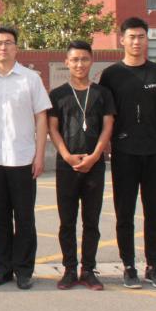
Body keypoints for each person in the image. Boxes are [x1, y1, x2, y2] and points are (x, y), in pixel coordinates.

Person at [99, 17, 156, 289]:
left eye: (141, 36)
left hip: (154, 153)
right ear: (122, 40)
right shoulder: (111, 75)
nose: (136, 41)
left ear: (147, 39)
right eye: (131, 37)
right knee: (125, 213)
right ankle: (129, 266)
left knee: (155, 213)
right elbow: (105, 115)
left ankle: (153, 266)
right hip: (124, 153)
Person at [0, 26, 50, 290]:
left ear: (16, 47)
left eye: (8, 42)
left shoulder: (30, 79)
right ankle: (2, 268)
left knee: (24, 218)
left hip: (23, 159)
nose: (3, 47)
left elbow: (41, 117)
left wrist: (39, 155)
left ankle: (23, 270)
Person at [47, 40, 114, 291]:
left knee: (91, 221)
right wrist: (66, 156)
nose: (79, 64)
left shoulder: (102, 93)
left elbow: (107, 126)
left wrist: (95, 156)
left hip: (94, 164)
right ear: (66, 62)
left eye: (84, 59)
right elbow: (53, 129)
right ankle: (69, 269)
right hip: (67, 165)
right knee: (67, 221)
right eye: (74, 59)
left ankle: (88, 270)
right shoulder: (58, 94)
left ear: (91, 61)